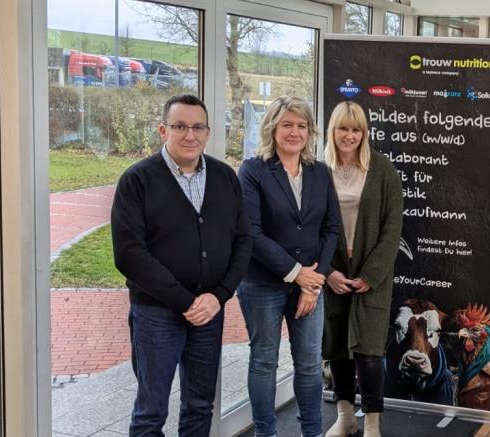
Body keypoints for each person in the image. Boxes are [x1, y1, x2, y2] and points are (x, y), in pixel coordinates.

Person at [111, 94, 251, 436]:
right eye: (180, 126)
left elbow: (242, 241)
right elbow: (129, 253)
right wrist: (185, 301)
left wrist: (218, 296)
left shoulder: (224, 177)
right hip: (156, 315)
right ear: (163, 130)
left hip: (209, 312)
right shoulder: (137, 180)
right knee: (150, 412)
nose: (190, 135)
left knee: (201, 406)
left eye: (198, 127)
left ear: (208, 132)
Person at [238, 95, 341, 437]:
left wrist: (313, 282)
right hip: (263, 284)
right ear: (272, 127)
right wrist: (299, 274)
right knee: (264, 362)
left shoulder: (320, 172)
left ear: (310, 132)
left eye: (302, 125)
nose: (295, 132)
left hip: (311, 284)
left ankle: (312, 432)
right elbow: (251, 233)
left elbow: (331, 229)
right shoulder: (253, 170)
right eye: (287, 124)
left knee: (310, 365)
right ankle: (265, 433)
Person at [322, 101, 404, 437]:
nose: (350, 136)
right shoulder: (317, 169)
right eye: (343, 128)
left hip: (371, 276)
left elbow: (392, 227)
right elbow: (308, 225)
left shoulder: (382, 169)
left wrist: (371, 274)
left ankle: (372, 423)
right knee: (338, 348)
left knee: (370, 353)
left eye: (357, 130)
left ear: (365, 133)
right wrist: (327, 272)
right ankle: (345, 417)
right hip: (334, 274)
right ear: (333, 130)